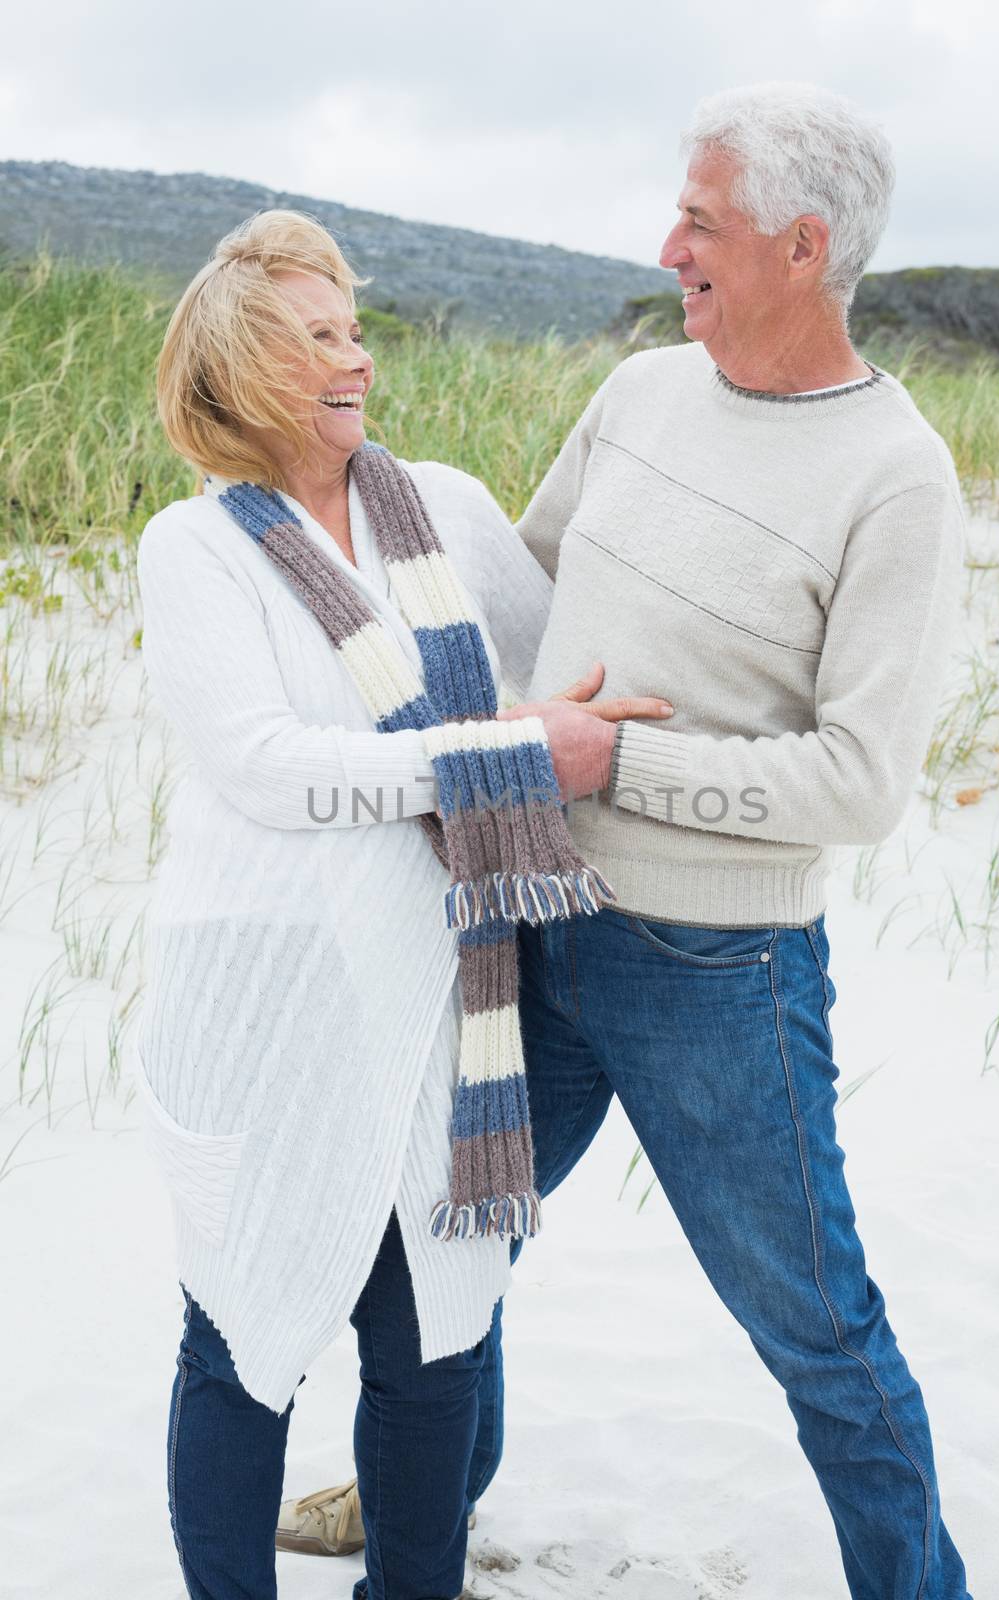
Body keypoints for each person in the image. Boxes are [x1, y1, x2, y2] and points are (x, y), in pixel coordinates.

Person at [286, 83, 973, 1599]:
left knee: (819, 1331)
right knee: (442, 1255)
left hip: (714, 967)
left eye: (701, 221)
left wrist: (620, 763)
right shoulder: (644, 394)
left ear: (805, 247)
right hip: (528, 918)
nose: (669, 243)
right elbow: (528, 610)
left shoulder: (898, 478)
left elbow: (860, 783)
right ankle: (416, 1504)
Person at [135, 208, 670, 1600]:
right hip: (263, 1010)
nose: (356, 356)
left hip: (439, 999)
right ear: (246, 366)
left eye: (354, 327)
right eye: (320, 335)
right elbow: (262, 768)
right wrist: (493, 748)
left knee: (429, 1346)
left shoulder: (446, 510)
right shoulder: (196, 555)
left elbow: (567, 672)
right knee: (243, 1341)